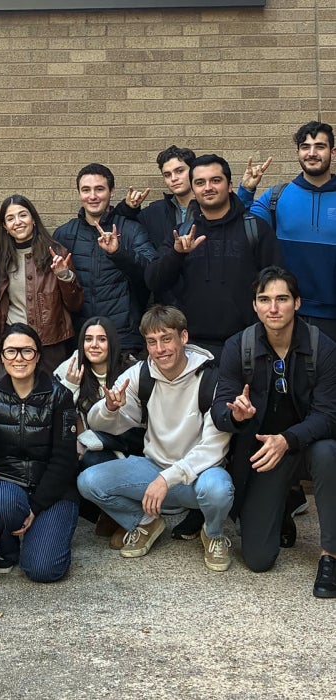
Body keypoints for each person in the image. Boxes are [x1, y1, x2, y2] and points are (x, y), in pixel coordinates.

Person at [77, 305, 235, 572]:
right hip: (153, 470)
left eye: (166, 339)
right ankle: (145, 523)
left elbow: (214, 449)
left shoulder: (211, 378)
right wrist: (110, 408)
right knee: (89, 481)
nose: (160, 349)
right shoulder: (140, 374)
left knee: (219, 489)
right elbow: (98, 423)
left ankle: (213, 532)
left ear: (183, 337)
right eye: (152, 342)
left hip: (198, 477)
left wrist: (166, 479)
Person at [211, 267, 336, 598]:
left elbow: (328, 415)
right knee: (258, 559)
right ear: (255, 305)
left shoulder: (322, 348)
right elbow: (219, 408)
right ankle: (284, 503)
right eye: (264, 300)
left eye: (282, 299)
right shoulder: (240, 346)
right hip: (266, 454)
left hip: (307, 447)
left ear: (297, 303)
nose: (273, 308)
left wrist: (289, 439)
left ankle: (330, 556)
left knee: (328, 452)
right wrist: (235, 415)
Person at [0, 323, 79, 582]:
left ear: (38, 355)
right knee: (4, 504)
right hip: (9, 483)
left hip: (53, 490)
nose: (19, 358)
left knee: (43, 570)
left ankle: (40, 535)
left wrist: (36, 507)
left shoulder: (60, 396)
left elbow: (64, 460)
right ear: (1, 357)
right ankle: (7, 545)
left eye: (27, 351)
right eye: (11, 351)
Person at [145, 154, 283, 361]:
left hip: (248, 344)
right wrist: (177, 255)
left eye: (215, 180)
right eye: (200, 182)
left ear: (229, 185)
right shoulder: (182, 232)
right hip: (192, 348)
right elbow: (153, 281)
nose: (208, 187)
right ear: (193, 189)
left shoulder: (255, 229)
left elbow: (277, 285)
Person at [237, 121, 336, 341]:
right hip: (287, 311)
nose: (312, 153)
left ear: (332, 152)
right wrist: (246, 191)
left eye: (319, 146)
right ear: (297, 152)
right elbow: (240, 225)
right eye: (305, 147)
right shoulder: (276, 197)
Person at [53, 163, 155, 356]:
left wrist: (118, 253)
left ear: (112, 191)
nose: (92, 196)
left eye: (99, 189)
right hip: (81, 339)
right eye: (86, 190)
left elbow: (151, 273)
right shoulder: (65, 233)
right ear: (79, 193)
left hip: (123, 338)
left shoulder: (131, 229)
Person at [54, 316, 142, 537]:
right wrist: (70, 387)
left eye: (102, 339)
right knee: (63, 461)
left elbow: (137, 427)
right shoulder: (72, 370)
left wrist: (87, 441)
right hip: (87, 446)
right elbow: (54, 416)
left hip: (129, 448)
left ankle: (128, 515)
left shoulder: (130, 370)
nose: (94, 345)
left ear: (112, 343)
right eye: (88, 339)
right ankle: (106, 514)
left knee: (90, 461)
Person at [0, 194, 83, 374]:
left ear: (33, 219)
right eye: (10, 218)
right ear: (5, 227)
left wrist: (64, 275)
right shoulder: (0, 259)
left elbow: (76, 304)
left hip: (50, 343)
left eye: (23, 215)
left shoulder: (57, 253)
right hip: (13, 340)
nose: (18, 222)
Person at [117, 145, 197, 250]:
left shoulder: (211, 207)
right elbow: (119, 224)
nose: (173, 178)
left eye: (179, 171)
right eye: (167, 175)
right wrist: (129, 208)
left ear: (193, 171)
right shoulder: (155, 212)